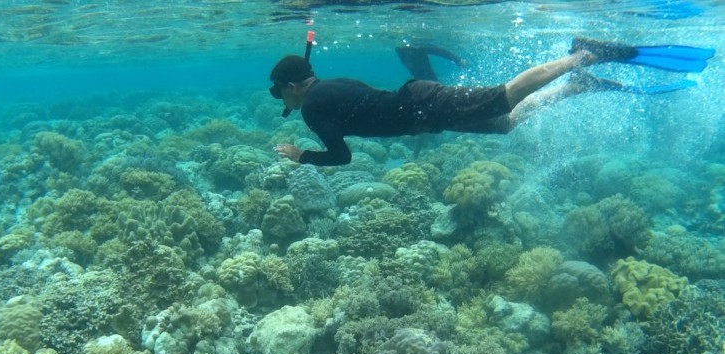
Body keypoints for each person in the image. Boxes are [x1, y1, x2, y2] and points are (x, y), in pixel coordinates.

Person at [269, 38, 712, 167]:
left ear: (291, 86)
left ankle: (582, 55)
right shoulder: (330, 84)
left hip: (425, 108)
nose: (282, 99)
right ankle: (577, 85)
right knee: (505, 123)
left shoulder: (312, 107)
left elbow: (341, 157)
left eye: (279, 92)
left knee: (505, 96)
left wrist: (301, 155)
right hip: (422, 110)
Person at [395, 43, 468, 81]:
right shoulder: (402, 51)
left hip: (424, 76)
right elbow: (438, 51)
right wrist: (457, 60)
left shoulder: (417, 48)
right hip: (423, 77)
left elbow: (438, 51)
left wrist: (457, 60)